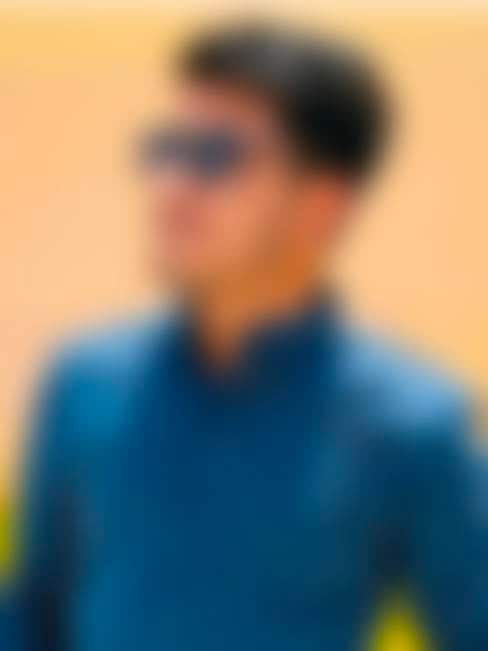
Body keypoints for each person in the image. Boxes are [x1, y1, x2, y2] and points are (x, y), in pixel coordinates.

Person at [4, 24, 488, 651]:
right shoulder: (87, 383)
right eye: (167, 150)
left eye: (215, 157)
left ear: (323, 202)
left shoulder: (409, 421)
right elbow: (35, 615)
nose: (174, 184)